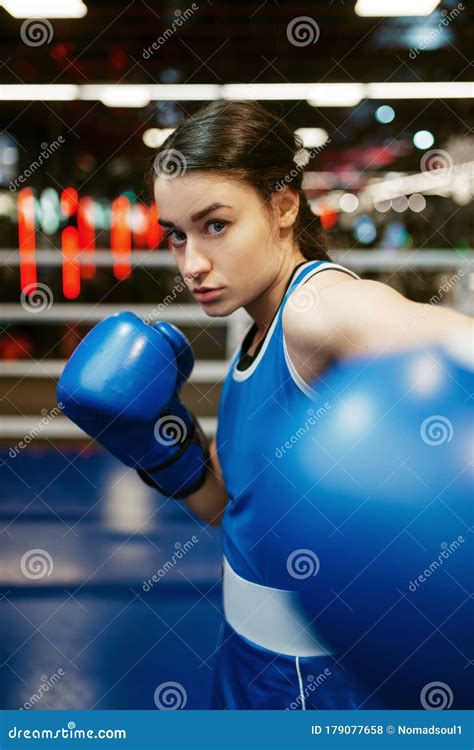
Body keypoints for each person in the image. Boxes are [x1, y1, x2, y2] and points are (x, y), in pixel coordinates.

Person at [58, 100, 473, 710]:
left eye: (216, 225)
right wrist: (162, 445)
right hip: (250, 658)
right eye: (177, 235)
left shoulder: (317, 310)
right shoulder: (260, 326)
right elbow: (233, 510)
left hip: (308, 683)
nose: (192, 263)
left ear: (283, 206)